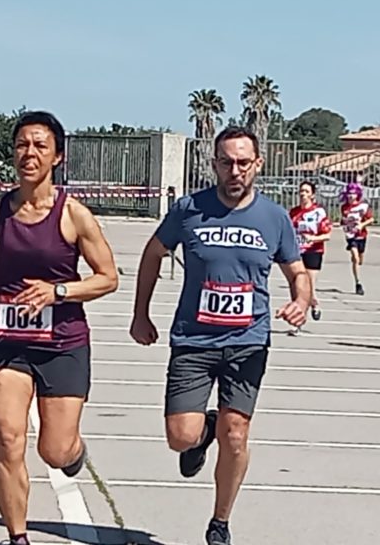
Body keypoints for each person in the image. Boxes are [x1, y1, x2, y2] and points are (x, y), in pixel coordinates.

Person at [129, 126, 311, 545]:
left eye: (243, 162)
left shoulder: (274, 218)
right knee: (180, 437)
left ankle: (220, 523)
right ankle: (203, 430)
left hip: (248, 341)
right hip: (193, 340)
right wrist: (141, 314)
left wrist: (301, 300)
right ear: (214, 164)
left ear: (258, 164)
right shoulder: (189, 209)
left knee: (237, 433)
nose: (235, 170)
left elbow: (297, 272)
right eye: (227, 162)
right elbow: (153, 254)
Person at [0, 111, 119, 545]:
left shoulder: (74, 215)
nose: (29, 153)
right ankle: (18, 537)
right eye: (21, 145)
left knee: (54, 450)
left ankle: (74, 451)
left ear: (57, 156)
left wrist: (58, 292)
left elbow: (108, 278)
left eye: (39, 146)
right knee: (8, 437)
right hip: (8, 343)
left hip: (63, 344)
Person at [289, 180, 332, 321]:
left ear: (312, 195)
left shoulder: (318, 212)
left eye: (307, 191)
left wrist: (313, 238)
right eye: (301, 191)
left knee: (310, 286)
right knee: (298, 286)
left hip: (314, 250)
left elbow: (327, 235)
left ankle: (314, 302)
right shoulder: (294, 212)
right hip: (297, 251)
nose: (303, 194)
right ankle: (298, 318)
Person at [339, 182, 373, 295]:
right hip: (350, 235)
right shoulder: (344, 207)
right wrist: (343, 223)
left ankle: (358, 259)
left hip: (361, 235)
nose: (350, 196)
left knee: (360, 259)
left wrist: (362, 225)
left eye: (353, 194)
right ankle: (358, 283)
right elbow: (344, 220)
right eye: (349, 194)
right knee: (355, 257)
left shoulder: (363, 206)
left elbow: (371, 219)